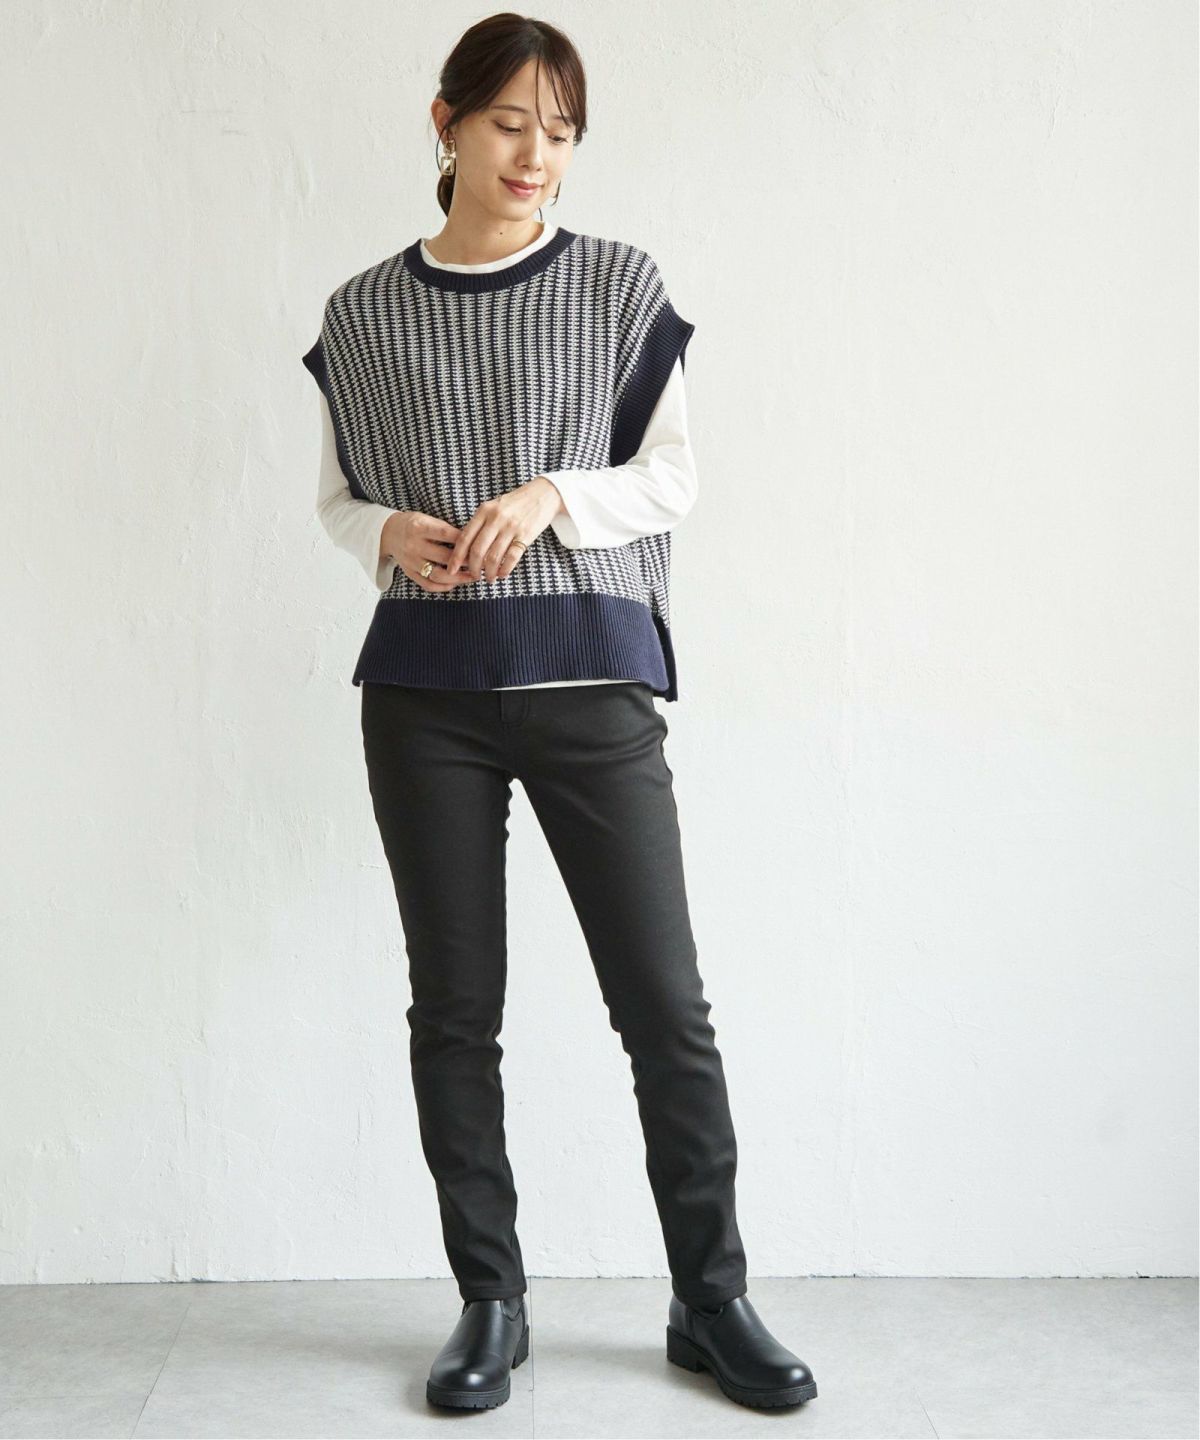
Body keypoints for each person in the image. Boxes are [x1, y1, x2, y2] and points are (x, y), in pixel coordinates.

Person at [301, 13, 818, 1415]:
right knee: (454, 1013)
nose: (537, 154)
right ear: (448, 123)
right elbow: (339, 495)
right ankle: (492, 1299)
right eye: (512, 123)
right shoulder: (364, 311)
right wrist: (382, 531)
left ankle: (711, 1300)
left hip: (590, 682)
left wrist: (550, 497)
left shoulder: (615, 285)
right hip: (425, 696)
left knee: (664, 1007)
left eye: (563, 131)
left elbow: (671, 476)